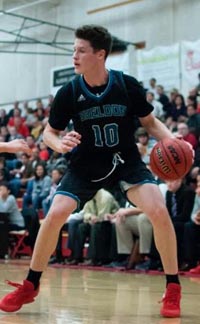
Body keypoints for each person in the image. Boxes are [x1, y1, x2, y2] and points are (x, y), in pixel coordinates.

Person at [0, 24, 186, 318]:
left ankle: (173, 287)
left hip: (124, 160)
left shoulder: (126, 85)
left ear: (100, 54)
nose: (74, 56)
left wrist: (170, 139)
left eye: (81, 50)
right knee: (55, 214)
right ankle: (30, 284)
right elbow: (50, 132)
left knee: (158, 209)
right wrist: (59, 144)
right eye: (74, 50)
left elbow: (150, 123)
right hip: (85, 164)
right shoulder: (69, 92)